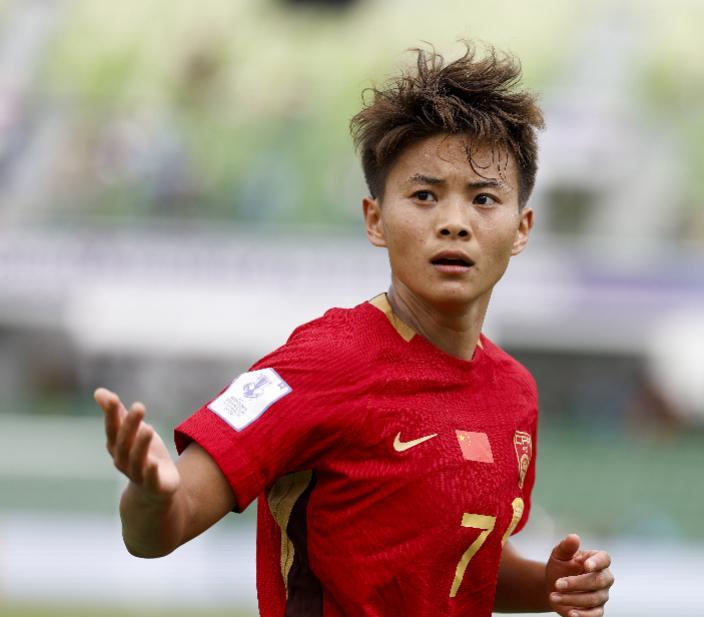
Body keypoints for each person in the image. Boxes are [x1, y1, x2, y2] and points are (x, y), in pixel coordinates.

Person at [94, 43, 614, 617]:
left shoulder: (514, 392)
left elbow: (463, 567)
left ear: (521, 229)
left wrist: (550, 585)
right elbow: (163, 528)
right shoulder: (321, 363)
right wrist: (150, 497)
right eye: (424, 195)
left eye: (484, 198)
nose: (454, 222)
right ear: (375, 219)